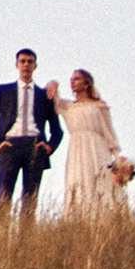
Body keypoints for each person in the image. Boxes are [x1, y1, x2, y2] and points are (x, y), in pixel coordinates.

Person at [0, 48, 63, 224]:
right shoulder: (4, 91)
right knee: (4, 195)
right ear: (17, 65)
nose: (26, 65)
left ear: (35, 66)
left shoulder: (44, 96)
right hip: (10, 146)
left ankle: (25, 241)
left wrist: (49, 147)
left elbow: (57, 130)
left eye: (30, 61)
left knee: (30, 198)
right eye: (23, 61)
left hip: (34, 146)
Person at [53, 67, 126, 218]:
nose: (73, 82)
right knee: (79, 181)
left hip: (97, 147)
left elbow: (108, 131)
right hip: (77, 149)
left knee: (100, 181)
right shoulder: (68, 106)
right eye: (71, 80)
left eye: (77, 79)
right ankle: (80, 219)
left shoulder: (99, 105)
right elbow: (54, 100)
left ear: (87, 84)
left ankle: (105, 218)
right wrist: (53, 84)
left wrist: (117, 157)